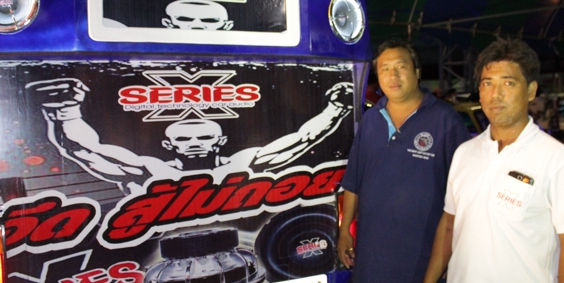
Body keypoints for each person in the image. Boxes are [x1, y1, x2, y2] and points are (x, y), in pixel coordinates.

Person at [414, 38, 564, 283]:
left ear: (531, 90)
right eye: (487, 83)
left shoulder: (556, 159)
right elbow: (449, 224)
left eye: (508, 83)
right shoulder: (465, 153)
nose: (495, 94)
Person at [338, 39, 471, 283]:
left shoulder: (445, 120)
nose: (393, 75)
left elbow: (463, 198)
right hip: (370, 273)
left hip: (423, 275)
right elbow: (353, 181)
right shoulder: (371, 120)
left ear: (417, 72)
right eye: (385, 69)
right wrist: (344, 231)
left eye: (401, 67)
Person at [26, 78, 353, 193]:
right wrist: (66, 111)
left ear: (220, 141)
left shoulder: (243, 162)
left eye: (203, 138)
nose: (194, 144)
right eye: (184, 140)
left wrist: (335, 110)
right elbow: (84, 150)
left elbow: (301, 139)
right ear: (168, 144)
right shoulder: (152, 169)